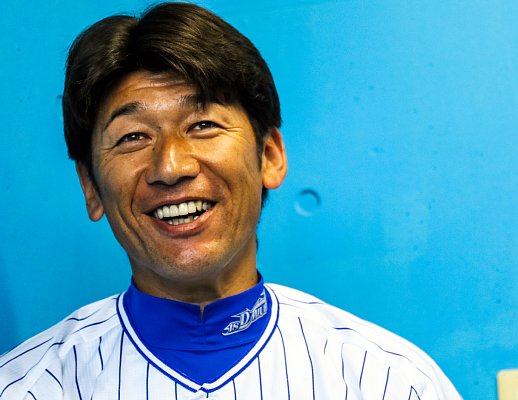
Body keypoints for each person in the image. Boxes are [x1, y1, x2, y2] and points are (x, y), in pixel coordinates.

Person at [0, 2, 461, 399]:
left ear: (269, 156)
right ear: (90, 186)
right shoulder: (25, 386)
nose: (170, 166)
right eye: (133, 136)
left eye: (202, 125)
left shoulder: (389, 381)